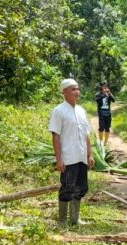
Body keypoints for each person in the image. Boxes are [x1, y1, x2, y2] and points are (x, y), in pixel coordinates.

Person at [49, 78, 95, 228]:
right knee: (67, 188)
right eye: (73, 89)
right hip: (68, 157)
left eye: (78, 89)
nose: (77, 92)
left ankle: (75, 219)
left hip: (81, 156)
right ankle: (62, 221)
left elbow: (86, 134)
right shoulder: (59, 111)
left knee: (81, 187)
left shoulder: (81, 111)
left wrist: (90, 155)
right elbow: (56, 135)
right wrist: (59, 159)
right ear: (64, 92)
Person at [95, 82, 115, 147]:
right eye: (103, 87)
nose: (105, 88)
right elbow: (97, 100)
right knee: (101, 127)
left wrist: (109, 93)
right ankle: (101, 141)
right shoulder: (98, 94)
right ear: (101, 88)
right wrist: (104, 95)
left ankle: (105, 142)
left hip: (108, 113)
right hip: (101, 113)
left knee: (107, 128)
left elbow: (113, 100)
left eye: (106, 87)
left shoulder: (108, 94)